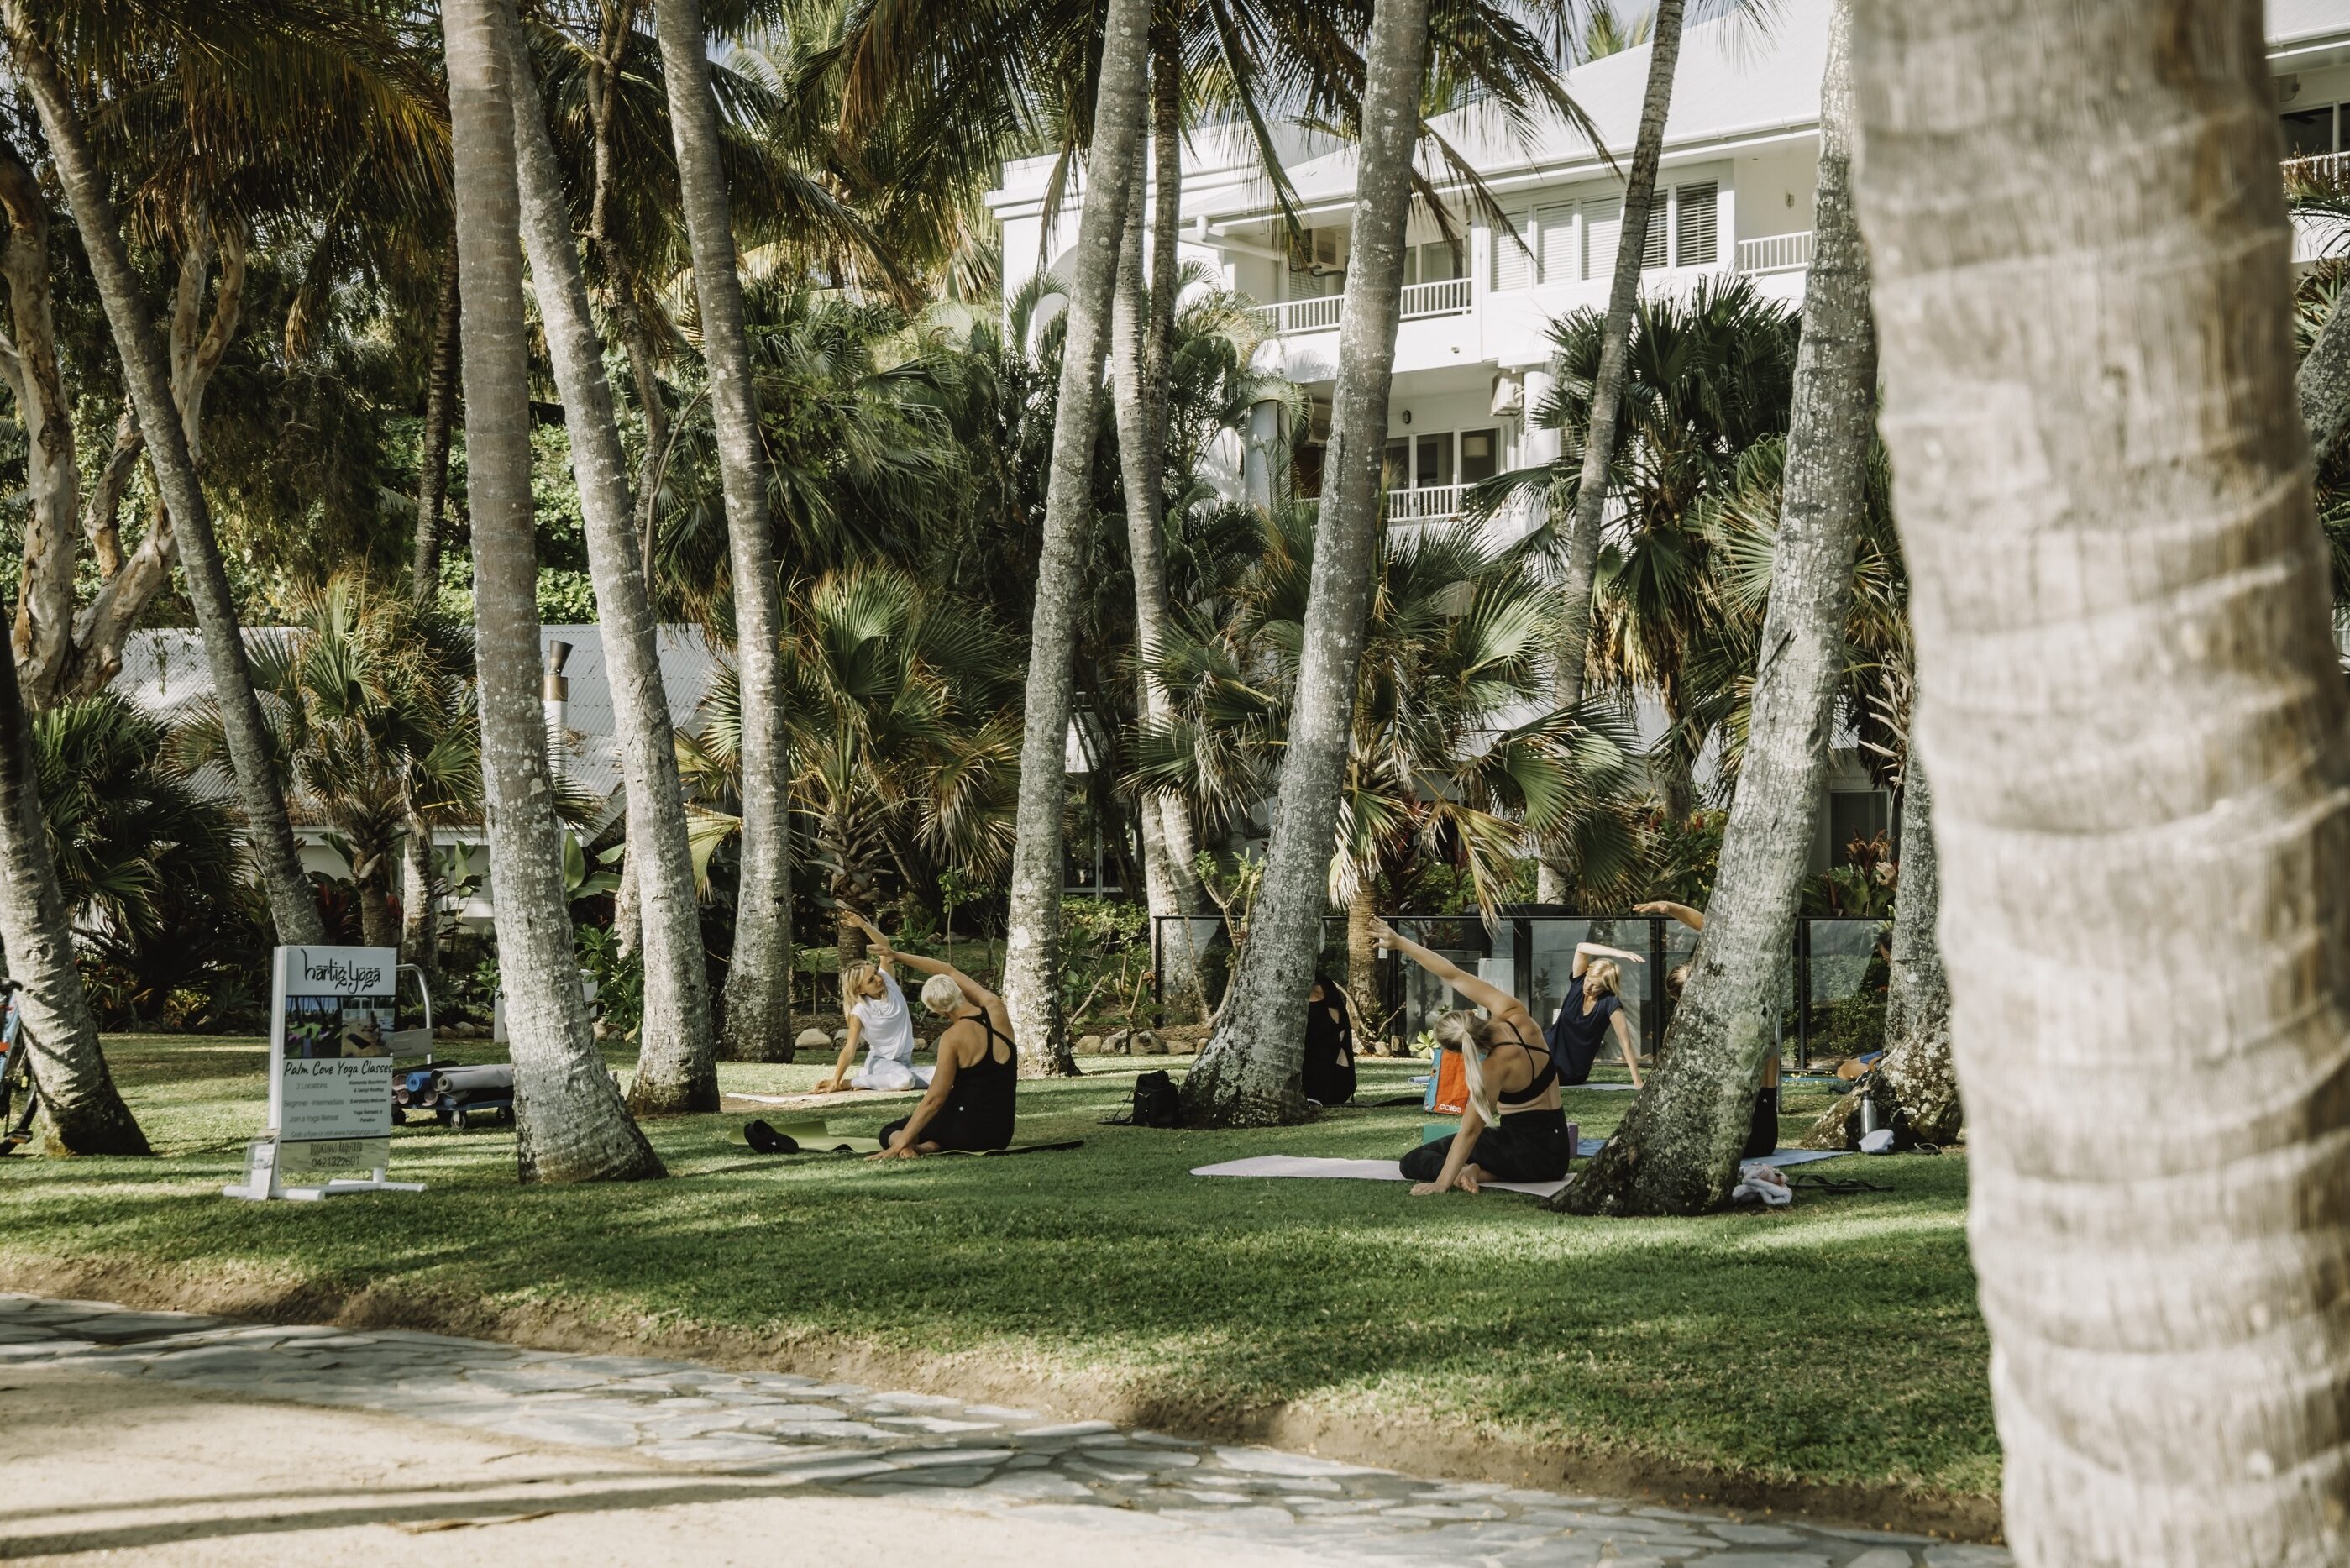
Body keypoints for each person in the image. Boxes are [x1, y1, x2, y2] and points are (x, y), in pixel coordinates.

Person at [1378, 920, 1627, 1196]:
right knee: (1487, 1146)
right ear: (1471, 1015)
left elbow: (1469, 1132)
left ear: (1457, 1051)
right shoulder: (1515, 1014)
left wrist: (1441, 1183)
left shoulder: (1492, 1068)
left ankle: (1466, 1171)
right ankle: (1474, 1170)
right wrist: (1400, 942)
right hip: (1556, 1157)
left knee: (1412, 1160)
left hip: (1520, 1153)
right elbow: (1453, 974)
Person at [843, 913, 1017, 1158]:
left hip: (965, 1131)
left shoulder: (952, 1038)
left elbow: (934, 1099)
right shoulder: (996, 1008)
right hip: (1000, 1134)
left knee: (890, 1131)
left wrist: (897, 1144)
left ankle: (912, 1145)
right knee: (939, 1123)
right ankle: (929, 1145)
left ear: (939, 1011)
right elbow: (947, 970)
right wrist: (897, 956)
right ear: (959, 991)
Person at [1633, 897, 1780, 1158]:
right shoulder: (1724, 1018)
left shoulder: (1724, 1016)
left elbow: (1714, 931)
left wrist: (1671, 908)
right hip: (1755, 1136)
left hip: (1746, 1136)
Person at [813, 955, 931, 1093]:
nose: (879, 978)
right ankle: (850, 1082)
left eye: (875, 973)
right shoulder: (860, 1012)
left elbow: (884, 947)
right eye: (871, 980)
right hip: (880, 1063)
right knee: (906, 1081)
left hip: (905, 1064)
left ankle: (878, 1080)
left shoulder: (890, 985)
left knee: (947, 1076)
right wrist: (836, 1081)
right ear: (860, 990)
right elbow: (849, 1049)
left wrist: (867, 931)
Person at [1547, 936, 1647, 1088]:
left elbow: (1625, 1043)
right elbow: (1581, 947)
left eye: (1595, 986)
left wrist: (1638, 1081)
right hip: (1545, 1050)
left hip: (1570, 1071)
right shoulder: (1579, 982)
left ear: (1607, 987)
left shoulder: (1610, 1004)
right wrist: (1618, 953)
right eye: (1588, 980)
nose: (1587, 987)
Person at [1301, 973, 1356, 1106]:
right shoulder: (1331, 1006)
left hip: (1335, 1087)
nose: (1316, 997)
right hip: (1335, 1087)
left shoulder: (1332, 1010)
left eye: (1317, 994)